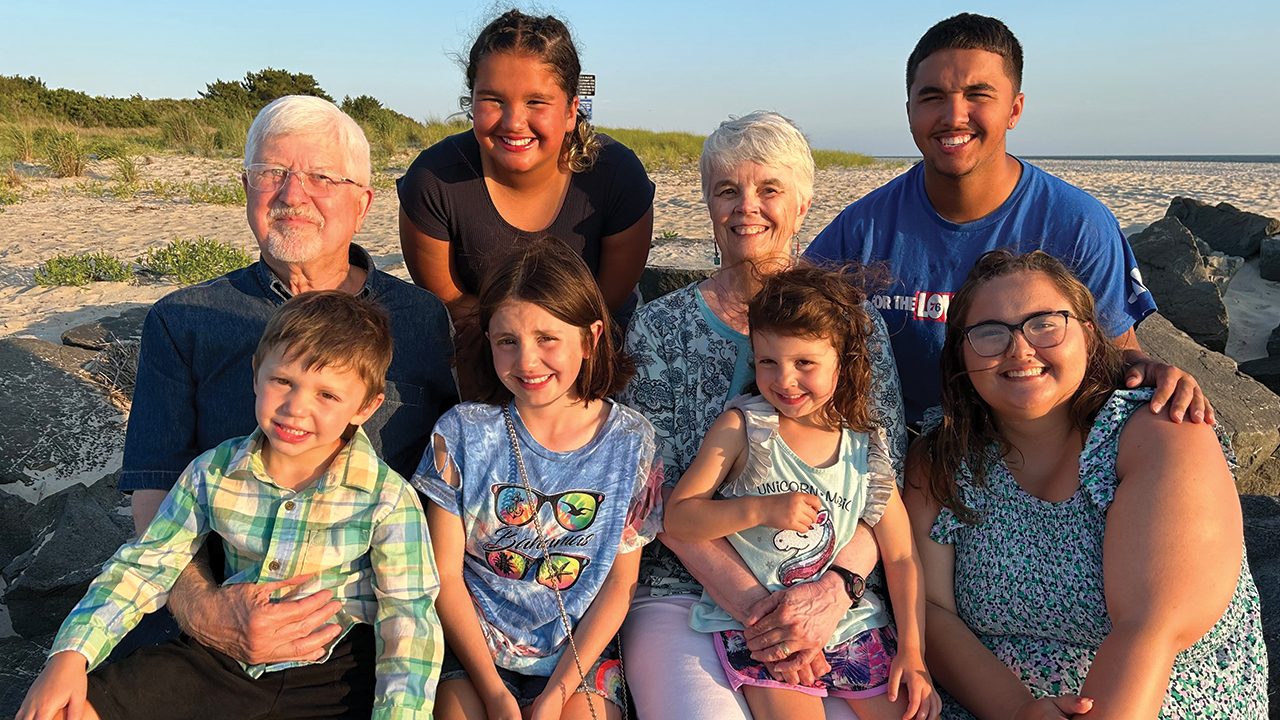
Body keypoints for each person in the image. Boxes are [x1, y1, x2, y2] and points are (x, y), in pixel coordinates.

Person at [118, 95, 456, 667]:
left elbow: (449, 486)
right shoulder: (183, 320)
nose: (292, 195)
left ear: (362, 203)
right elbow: (156, 490)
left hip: (377, 627)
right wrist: (206, 611)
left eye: (321, 177)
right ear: (246, 187)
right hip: (223, 612)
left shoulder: (421, 320)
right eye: (272, 173)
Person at [19, 291, 443, 720]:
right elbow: (144, 565)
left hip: (339, 669)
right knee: (65, 710)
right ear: (257, 374)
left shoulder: (387, 498)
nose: (296, 408)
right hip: (223, 659)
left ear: (366, 407)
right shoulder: (212, 471)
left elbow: (409, 621)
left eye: (327, 396)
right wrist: (69, 656)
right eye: (284, 381)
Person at [619, 111, 905, 720]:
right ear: (709, 205)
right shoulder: (660, 329)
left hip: (839, 601)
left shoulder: (858, 326)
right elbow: (655, 494)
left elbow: (883, 487)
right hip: (687, 592)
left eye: (769, 189)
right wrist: (763, 611)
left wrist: (832, 592)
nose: (746, 206)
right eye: (727, 190)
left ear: (802, 206)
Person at [902, 250, 1267, 719]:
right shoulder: (941, 458)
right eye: (989, 333)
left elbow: (1149, 628)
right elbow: (931, 611)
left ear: (1090, 335)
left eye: (1045, 323)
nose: (1019, 349)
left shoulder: (1159, 430)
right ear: (961, 354)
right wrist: (1019, 711)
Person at [804, 13, 1209, 428]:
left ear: (1014, 109)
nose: (954, 116)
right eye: (932, 98)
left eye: (978, 95)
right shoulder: (862, 229)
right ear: (910, 112)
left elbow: (1118, 354)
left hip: (1034, 453)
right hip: (900, 457)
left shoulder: (1078, 224)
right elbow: (790, 328)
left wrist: (1153, 372)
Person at [666, 266, 940, 720]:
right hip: (764, 632)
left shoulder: (865, 448)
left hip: (854, 626)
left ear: (843, 360)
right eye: (768, 361)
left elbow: (902, 556)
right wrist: (757, 509)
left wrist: (913, 653)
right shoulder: (745, 428)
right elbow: (679, 517)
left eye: (804, 363)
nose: (784, 380)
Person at [414, 237, 663, 720]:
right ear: (488, 341)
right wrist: (494, 694)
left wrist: (555, 694)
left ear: (590, 338)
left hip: (579, 654)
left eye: (547, 338)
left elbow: (618, 587)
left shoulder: (632, 444)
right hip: (476, 650)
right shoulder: (462, 433)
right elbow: (443, 574)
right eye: (508, 341)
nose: (527, 361)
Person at [398, 9, 655, 341]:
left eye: (536, 102)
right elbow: (451, 301)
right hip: (484, 346)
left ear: (570, 110)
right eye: (493, 100)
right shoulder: (432, 182)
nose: (513, 122)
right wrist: (515, 341)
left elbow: (607, 303)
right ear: (472, 102)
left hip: (596, 347)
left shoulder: (617, 176)